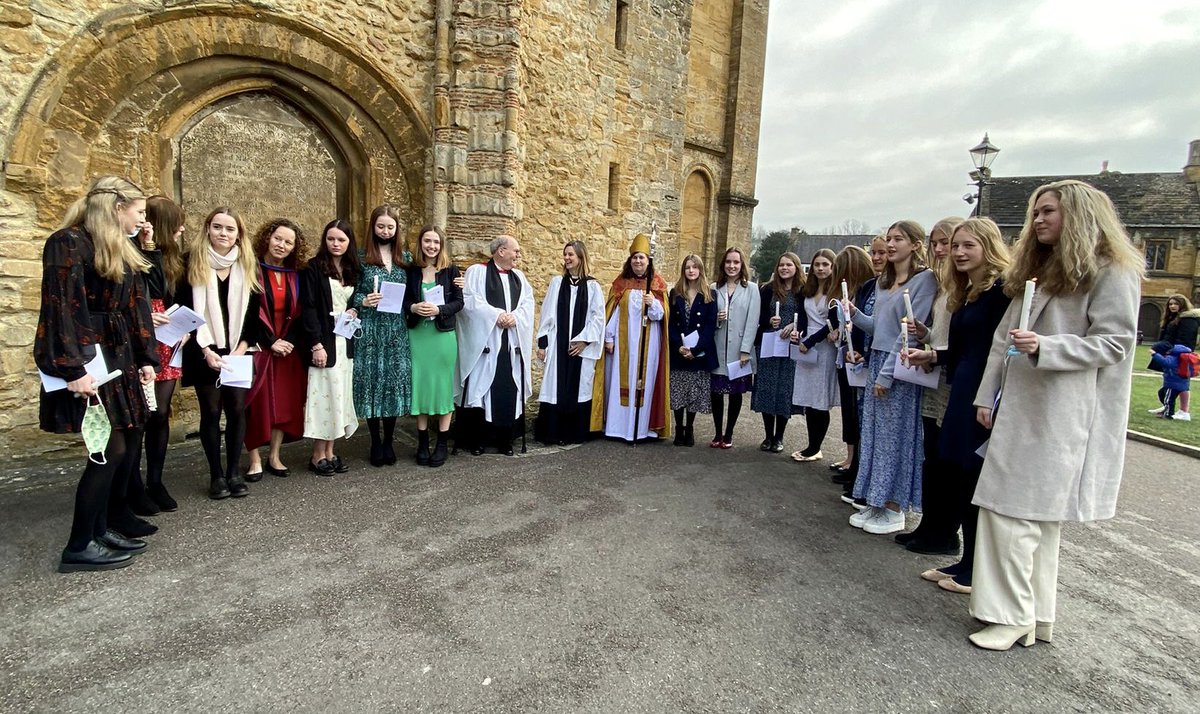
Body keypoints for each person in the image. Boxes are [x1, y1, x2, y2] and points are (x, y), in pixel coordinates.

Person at [967, 180, 1143, 650]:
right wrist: (987, 396)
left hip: (1063, 411)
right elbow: (1003, 340)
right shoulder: (1039, 270)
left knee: (1014, 512)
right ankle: (1035, 615)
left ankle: (1010, 615)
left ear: (1080, 214)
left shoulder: (1111, 270)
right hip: (1022, 406)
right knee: (1027, 516)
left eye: (1048, 211)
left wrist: (1048, 346)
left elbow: (1117, 341)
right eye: (1036, 213)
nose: (1038, 220)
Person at [36, 176, 160, 571]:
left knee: (121, 446)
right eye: (139, 212)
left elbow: (136, 308)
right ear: (116, 207)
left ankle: (101, 527)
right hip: (91, 358)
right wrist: (72, 367)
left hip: (118, 356)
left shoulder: (120, 247)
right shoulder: (68, 242)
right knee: (108, 450)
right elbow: (60, 309)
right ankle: (78, 545)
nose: (142, 220)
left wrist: (146, 357)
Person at [904, 218, 1010, 595]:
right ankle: (967, 561)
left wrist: (992, 396)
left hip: (983, 392)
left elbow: (998, 352)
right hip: (963, 386)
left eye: (969, 246)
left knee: (974, 478)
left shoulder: (1003, 290)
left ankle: (979, 567)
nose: (959, 253)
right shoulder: (970, 291)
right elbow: (962, 350)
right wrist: (930, 354)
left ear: (988, 246)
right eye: (957, 246)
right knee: (959, 476)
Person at [848, 220, 936, 535]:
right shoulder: (885, 281)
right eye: (889, 239)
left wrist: (886, 376)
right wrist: (854, 315)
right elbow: (879, 328)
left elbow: (908, 334)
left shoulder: (924, 280)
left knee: (894, 438)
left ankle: (895, 507)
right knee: (873, 435)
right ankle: (876, 499)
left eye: (898, 239)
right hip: (877, 359)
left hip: (898, 365)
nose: (891, 244)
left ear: (915, 244)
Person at [179, 207, 261, 500]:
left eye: (230, 229)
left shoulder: (249, 264)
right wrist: (205, 350)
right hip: (204, 351)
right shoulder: (191, 262)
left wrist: (239, 351)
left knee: (237, 410)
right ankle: (216, 476)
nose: (223, 234)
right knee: (211, 412)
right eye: (217, 227)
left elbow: (254, 314)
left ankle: (234, 472)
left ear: (239, 234)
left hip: (238, 350)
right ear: (207, 228)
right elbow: (184, 311)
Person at [896, 218, 964, 555]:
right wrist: (924, 334)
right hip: (933, 373)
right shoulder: (945, 284)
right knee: (932, 457)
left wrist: (934, 352)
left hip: (949, 375)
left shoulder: (964, 286)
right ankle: (930, 526)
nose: (940, 249)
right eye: (936, 243)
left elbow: (964, 341)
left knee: (946, 459)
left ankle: (945, 533)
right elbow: (941, 333)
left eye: (946, 242)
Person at [127, 194, 186, 515]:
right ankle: (132, 485)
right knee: (141, 414)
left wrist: (186, 325)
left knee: (161, 413)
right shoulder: (136, 250)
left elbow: (171, 292)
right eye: (176, 226)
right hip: (142, 336)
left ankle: (155, 480)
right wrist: (148, 246)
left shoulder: (171, 255)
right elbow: (149, 289)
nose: (180, 231)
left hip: (169, 337)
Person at [456, 235, 534, 455]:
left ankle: (505, 440)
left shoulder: (519, 277)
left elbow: (528, 303)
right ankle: (477, 440)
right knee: (482, 389)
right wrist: (496, 315)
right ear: (501, 251)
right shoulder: (477, 272)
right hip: (487, 341)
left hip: (511, 343)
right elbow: (470, 301)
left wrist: (516, 317)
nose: (518, 255)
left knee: (508, 388)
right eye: (515, 251)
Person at [244, 219, 308, 479]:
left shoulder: (296, 275)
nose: (282, 245)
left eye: (288, 242)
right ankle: (254, 460)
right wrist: (271, 341)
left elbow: (301, 314)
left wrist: (287, 341)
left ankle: (275, 455)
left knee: (283, 405)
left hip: (287, 351)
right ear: (268, 237)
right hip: (260, 347)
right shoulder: (251, 270)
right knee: (255, 405)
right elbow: (248, 314)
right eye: (278, 239)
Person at [591, 234, 671, 442]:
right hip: (623, 344)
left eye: (642, 258)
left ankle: (643, 429)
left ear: (648, 260)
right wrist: (609, 337)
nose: (638, 261)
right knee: (620, 382)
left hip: (649, 342)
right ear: (630, 260)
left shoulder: (657, 284)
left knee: (645, 380)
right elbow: (613, 312)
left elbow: (662, 316)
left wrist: (653, 303)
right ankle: (618, 428)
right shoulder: (621, 283)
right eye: (634, 257)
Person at [352, 205, 412, 466]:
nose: (385, 231)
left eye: (390, 226)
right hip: (371, 329)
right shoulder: (361, 257)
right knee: (372, 383)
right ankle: (375, 442)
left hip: (396, 330)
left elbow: (419, 288)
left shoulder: (405, 259)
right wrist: (363, 300)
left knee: (392, 383)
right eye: (381, 226)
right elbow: (350, 291)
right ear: (373, 227)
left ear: (397, 229)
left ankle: (389, 440)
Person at [301, 219, 360, 475]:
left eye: (341, 240)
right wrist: (316, 345)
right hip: (324, 342)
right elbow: (308, 308)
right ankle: (317, 455)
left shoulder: (351, 269)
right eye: (331, 239)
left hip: (344, 341)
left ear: (349, 243)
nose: (335, 244)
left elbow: (353, 300)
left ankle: (330, 451)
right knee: (323, 397)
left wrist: (356, 309)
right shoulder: (314, 268)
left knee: (339, 398)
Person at [403, 224, 464, 465]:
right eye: (427, 241)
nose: (431, 246)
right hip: (418, 336)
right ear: (420, 244)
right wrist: (413, 307)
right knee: (421, 386)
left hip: (442, 338)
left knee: (442, 387)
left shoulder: (450, 270)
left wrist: (439, 309)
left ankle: (441, 444)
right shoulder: (412, 271)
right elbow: (404, 300)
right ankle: (421, 444)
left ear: (441, 245)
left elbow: (459, 302)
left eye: (436, 242)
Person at [534, 240, 605, 446]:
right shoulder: (557, 283)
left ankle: (574, 433)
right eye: (565, 254)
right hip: (558, 344)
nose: (566, 258)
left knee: (579, 386)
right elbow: (547, 313)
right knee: (556, 385)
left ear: (581, 258)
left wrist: (584, 340)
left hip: (580, 347)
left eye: (571, 255)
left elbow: (598, 317)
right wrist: (543, 343)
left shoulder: (592, 286)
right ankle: (553, 433)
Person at [828, 245, 874, 491]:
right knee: (849, 411)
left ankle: (856, 464)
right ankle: (851, 459)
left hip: (858, 359)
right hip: (843, 356)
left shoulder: (864, 293)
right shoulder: (847, 292)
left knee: (857, 413)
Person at [790, 249, 839, 461]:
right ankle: (811, 445)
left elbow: (834, 324)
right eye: (817, 264)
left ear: (832, 267)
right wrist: (799, 334)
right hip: (805, 345)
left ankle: (816, 447)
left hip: (824, 346)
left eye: (825, 264)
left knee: (820, 399)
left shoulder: (835, 293)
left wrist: (810, 342)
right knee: (808, 398)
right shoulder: (806, 290)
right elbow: (802, 317)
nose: (820, 268)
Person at [751, 252, 804, 453]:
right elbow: (760, 315)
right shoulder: (768, 289)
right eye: (781, 264)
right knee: (767, 388)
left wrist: (794, 324)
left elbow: (806, 317)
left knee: (784, 390)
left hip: (789, 346)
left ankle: (779, 436)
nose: (784, 268)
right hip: (769, 344)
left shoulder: (802, 291)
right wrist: (768, 321)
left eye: (789, 265)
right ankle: (767, 436)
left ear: (796, 267)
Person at [709, 247, 759, 449]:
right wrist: (716, 320)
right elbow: (707, 319)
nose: (732, 266)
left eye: (736, 262)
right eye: (728, 262)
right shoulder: (714, 287)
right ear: (723, 264)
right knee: (717, 392)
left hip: (740, 350)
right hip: (718, 347)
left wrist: (746, 349)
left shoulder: (752, 289)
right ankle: (717, 432)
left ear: (742, 265)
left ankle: (729, 433)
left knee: (736, 393)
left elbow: (752, 319)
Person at [667, 255, 718, 446]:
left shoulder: (709, 295)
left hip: (698, 353)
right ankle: (679, 428)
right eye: (688, 267)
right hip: (679, 351)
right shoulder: (675, 293)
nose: (691, 271)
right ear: (683, 270)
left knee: (694, 393)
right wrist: (678, 346)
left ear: (700, 270)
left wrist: (695, 350)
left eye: (695, 267)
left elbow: (709, 326)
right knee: (678, 392)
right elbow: (671, 323)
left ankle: (690, 428)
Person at [1150, 294, 1198, 418]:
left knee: (1181, 383)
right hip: (1171, 353)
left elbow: (1186, 340)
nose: (1172, 306)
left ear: (1182, 305)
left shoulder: (1188, 319)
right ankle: (1168, 405)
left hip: (1181, 355)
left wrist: (1170, 349)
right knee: (1171, 380)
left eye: (1176, 303)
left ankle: (1184, 411)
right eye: (1170, 304)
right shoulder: (1173, 318)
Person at [1149, 342, 1194, 419]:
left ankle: (1168, 414)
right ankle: (1167, 409)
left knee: (1169, 399)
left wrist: (1155, 354)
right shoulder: (1176, 356)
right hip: (1176, 383)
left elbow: (1166, 362)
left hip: (1174, 385)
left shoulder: (1172, 357)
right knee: (1162, 393)